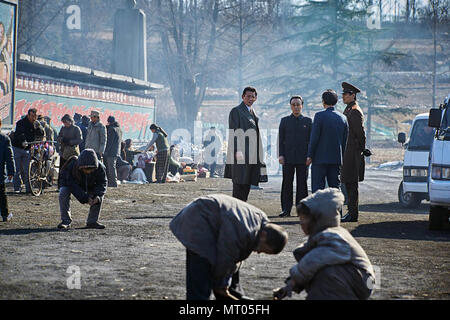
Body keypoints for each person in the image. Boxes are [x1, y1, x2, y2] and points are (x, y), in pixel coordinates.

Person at [170, 193, 288, 300]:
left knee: (229, 272)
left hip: (211, 216)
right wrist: (221, 285)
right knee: (201, 272)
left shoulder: (260, 221)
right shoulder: (244, 231)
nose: (259, 252)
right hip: (198, 220)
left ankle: (234, 293)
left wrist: (224, 284)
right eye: (264, 250)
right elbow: (226, 256)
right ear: (263, 235)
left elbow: (237, 257)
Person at [273, 188, 375, 300]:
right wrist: (290, 285)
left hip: (363, 282)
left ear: (318, 219)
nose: (301, 223)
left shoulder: (334, 235)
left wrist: (295, 278)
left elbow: (315, 259)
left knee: (326, 273)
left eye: (304, 219)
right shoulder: (322, 236)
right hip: (355, 279)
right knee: (316, 268)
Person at [224, 86, 266, 202]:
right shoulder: (236, 111)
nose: (250, 99)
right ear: (243, 97)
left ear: (256, 98)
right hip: (241, 154)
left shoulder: (253, 113)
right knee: (239, 184)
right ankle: (235, 211)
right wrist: (237, 150)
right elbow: (233, 132)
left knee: (247, 184)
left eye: (253, 97)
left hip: (251, 155)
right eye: (248, 96)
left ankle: (241, 209)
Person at [306, 90, 348, 193]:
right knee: (335, 190)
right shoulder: (343, 118)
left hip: (320, 159)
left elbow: (314, 138)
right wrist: (341, 158)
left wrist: (310, 155)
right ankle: (338, 209)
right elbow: (344, 142)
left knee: (317, 190)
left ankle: (317, 209)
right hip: (336, 159)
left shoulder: (319, 116)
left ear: (323, 101)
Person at [278, 96, 312, 217]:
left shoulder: (308, 121)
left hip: (303, 159)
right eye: (293, 105)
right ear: (290, 106)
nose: (296, 107)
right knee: (287, 184)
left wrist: (310, 156)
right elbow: (281, 140)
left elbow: (311, 141)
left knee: (302, 184)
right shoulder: (285, 121)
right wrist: (280, 155)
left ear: (302, 105)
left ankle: (301, 210)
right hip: (287, 158)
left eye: (298, 104)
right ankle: (286, 209)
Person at [57, 149, 107, 230]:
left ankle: (92, 221)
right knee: (63, 191)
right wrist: (85, 198)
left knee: (99, 196)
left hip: (91, 185)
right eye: (86, 169)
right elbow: (71, 184)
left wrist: (97, 196)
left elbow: (102, 183)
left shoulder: (100, 167)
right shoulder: (72, 166)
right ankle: (65, 221)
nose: (88, 171)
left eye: (91, 169)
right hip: (73, 184)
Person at [340, 82, 366, 223]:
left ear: (353, 95)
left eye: (345, 94)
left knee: (351, 183)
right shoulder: (349, 109)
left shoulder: (354, 110)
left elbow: (360, 133)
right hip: (348, 151)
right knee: (348, 183)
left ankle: (353, 213)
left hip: (352, 152)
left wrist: (361, 149)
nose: (343, 96)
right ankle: (351, 211)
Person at [11, 108, 44, 194]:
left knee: (27, 170)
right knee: (17, 170)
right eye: (32, 116)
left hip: (28, 149)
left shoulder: (36, 123)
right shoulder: (20, 123)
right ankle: (17, 188)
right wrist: (23, 141)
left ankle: (28, 189)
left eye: (35, 116)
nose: (34, 118)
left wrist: (39, 127)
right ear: (28, 115)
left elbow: (41, 134)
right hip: (18, 148)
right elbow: (19, 133)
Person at [57, 114, 83, 188]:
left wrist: (70, 142)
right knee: (62, 169)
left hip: (73, 152)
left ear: (70, 121)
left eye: (66, 122)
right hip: (63, 152)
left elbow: (80, 140)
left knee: (73, 170)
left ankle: (74, 185)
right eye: (64, 122)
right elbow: (58, 137)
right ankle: (61, 185)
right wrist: (62, 140)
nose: (65, 124)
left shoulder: (76, 129)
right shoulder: (63, 128)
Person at [0, 118, 15, 222]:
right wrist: (11, 171)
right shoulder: (4, 139)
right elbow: (9, 157)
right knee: (1, 193)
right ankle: (5, 215)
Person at [104, 116, 123, 187]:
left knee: (111, 167)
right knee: (113, 166)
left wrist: (106, 151)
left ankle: (113, 182)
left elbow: (109, 142)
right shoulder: (119, 129)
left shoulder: (112, 129)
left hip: (111, 152)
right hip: (117, 151)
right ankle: (113, 181)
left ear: (109, 122)